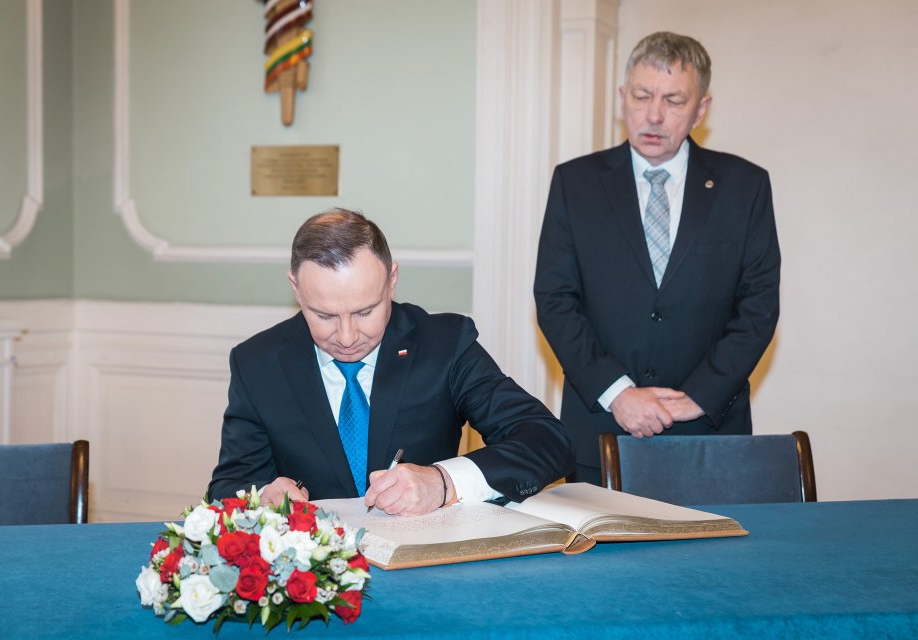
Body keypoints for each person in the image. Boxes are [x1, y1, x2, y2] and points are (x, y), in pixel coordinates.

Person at [533, 32, 780, 484]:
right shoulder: (575, 183)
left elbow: (759, 308)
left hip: (709, 433)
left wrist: (698, 397)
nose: (653, 115)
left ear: (701, 108)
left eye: (673, 100)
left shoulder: (745, 187)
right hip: (601, 428)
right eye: (642, 96)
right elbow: (554, 299)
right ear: (623, 96)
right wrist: (619, 393)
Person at [210, 208, 574, 514]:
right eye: (324, 316)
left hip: (425, 567)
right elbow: (229, 486)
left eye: (365, 311)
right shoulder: (257, 363)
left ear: (392, 280)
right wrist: (262, 498)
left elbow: (547, 440)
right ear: (295, 288)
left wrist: (444, 483)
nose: (348, 337)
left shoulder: (444, 344)